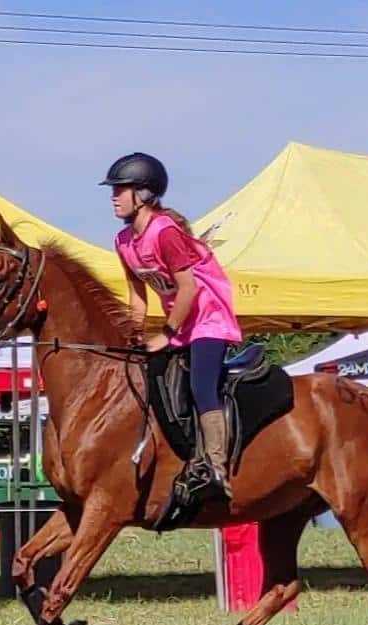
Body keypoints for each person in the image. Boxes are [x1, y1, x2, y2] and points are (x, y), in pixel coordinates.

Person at [101, 152, 242, 500]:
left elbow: (190, 288)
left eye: (122, 189)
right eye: (114, 189)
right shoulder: (123, 242)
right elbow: (137, 297)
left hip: (208, 319)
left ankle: (215, 467)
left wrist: (166, 334)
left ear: (145, 194)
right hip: (179, 321)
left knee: (200, 386)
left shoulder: (165, 233)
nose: (114, 196)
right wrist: (132, 336)